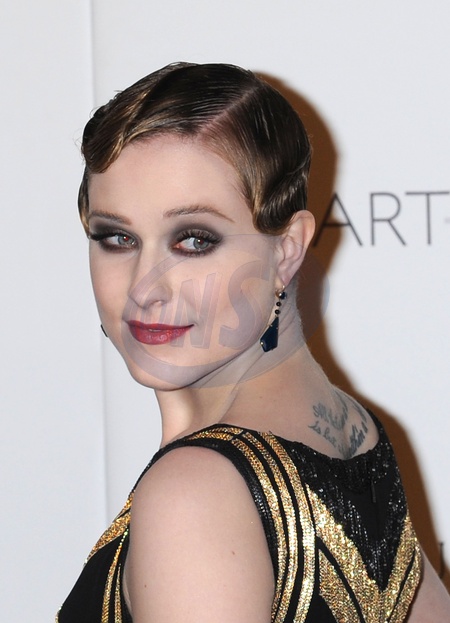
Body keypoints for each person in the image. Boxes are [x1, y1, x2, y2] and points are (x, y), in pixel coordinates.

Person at [56, 62, 449, 622]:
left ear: (287, 251)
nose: (144, 288)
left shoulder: (194, 493)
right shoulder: (351, 430)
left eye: (194, 240)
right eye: (117, 237)